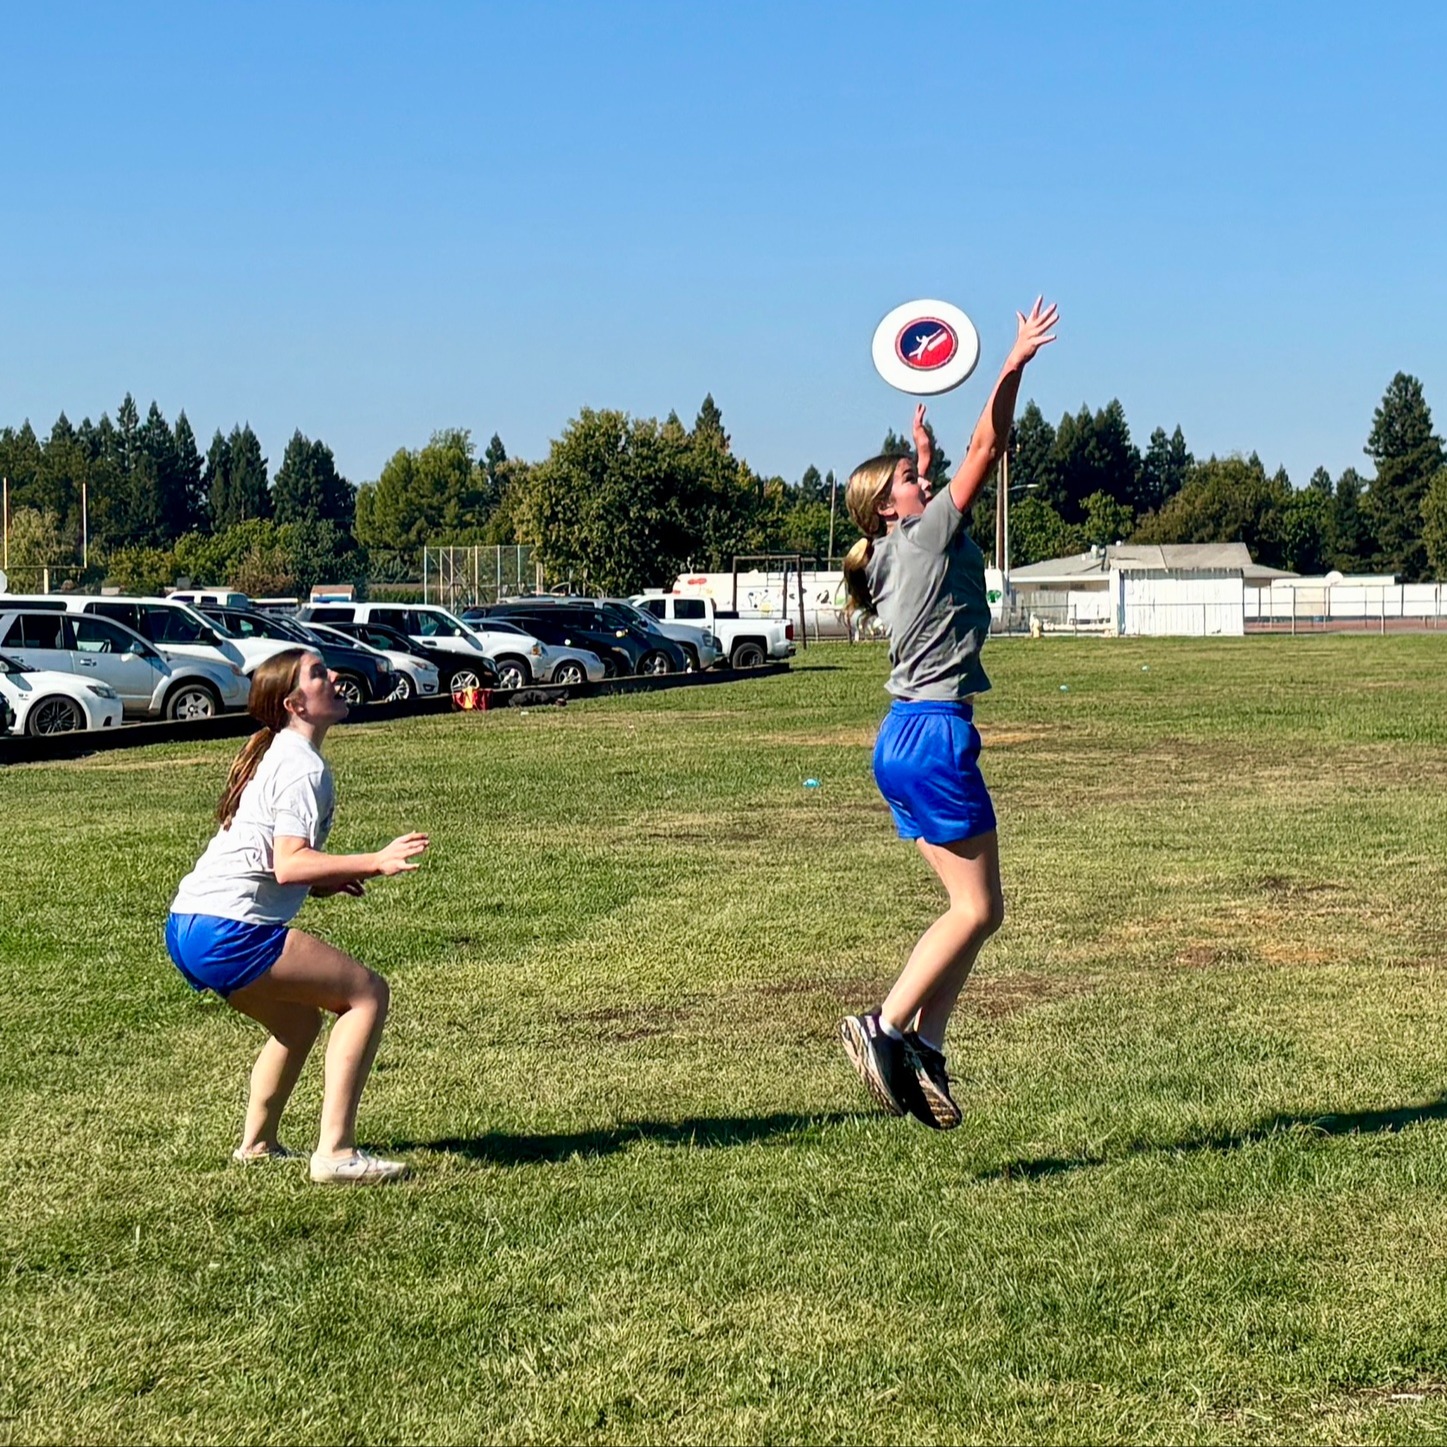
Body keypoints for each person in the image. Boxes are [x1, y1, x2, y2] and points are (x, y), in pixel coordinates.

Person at [839, 297, 1058, 1129]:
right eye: (906, 481)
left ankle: (925, 1044)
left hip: (902, 737)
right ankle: (885, 1024)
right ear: (888, 508)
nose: (919, 483)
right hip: (933, 734)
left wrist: (918, 456)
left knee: (982, 909)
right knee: (970, 910)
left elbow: (945, 466)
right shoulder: (925, 536)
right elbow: (989, 444)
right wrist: (1011, 365)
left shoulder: (895, 547)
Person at [165, 648, 429, 1183]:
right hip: (227, 930)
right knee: (366, 994)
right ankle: (336, 1154)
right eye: (317, 674)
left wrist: (327, 879)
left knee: (298, 1022)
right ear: (294, 704)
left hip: (187, 925)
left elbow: (274, 862)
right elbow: (288, 864)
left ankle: (257, 1145)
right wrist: (374, 862)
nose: (332, 677)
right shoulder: (302, 766)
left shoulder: (280, 754)